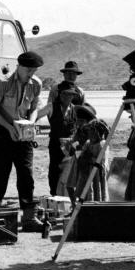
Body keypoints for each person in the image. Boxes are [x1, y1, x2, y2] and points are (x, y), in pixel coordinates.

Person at [0, 51, 45, 232]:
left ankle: (29, 217)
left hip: (23, 133)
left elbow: (34, 108)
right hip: (3, 132)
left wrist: (32, 122)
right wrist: (9, 127)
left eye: (34, 70)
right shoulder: (3, 83)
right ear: (19, 67)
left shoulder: (36, 84)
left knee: (26, 174)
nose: (31, 74)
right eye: (28, 70)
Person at [37, 61, 86, 195]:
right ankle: (55, 193)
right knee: (55, 166)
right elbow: (49, 110)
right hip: (57, 137)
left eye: (73, 73)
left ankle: (70, 194)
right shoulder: (55, 89)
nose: (71, 75)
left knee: (74, 165)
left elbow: (82, 114)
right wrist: (58, 125)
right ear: (64, 74)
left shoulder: (80, 92)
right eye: (68, 73)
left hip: (74, 138)